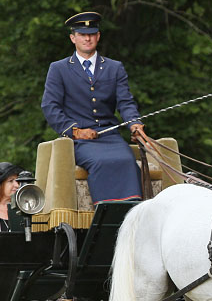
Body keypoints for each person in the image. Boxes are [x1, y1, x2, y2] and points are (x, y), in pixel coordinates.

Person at [41, 11, 144, 203]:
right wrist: (75, 131)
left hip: (110, 136)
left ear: (98, 36)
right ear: (73, 38)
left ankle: (131, 211)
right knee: (101, 162)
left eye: (91, 34)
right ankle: (104, 216)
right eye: (82, 34)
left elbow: (125, 102)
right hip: (80, 141)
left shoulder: (115, 67)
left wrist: (135, 124)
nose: (87, 38)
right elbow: (50, 106)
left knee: (128, 161)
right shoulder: (59, 69)